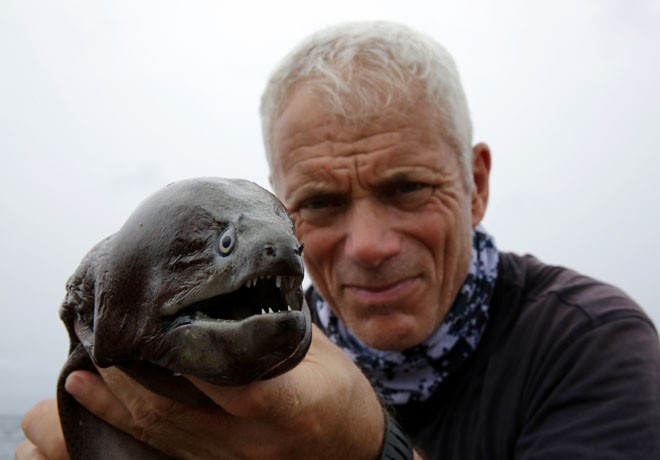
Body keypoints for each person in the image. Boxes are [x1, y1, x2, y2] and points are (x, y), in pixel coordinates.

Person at [16, 21, 660, 460]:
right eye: (320, 203)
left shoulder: (590, 345)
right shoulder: (230, 337)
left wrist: (370, 449)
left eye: (408, 188)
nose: (369, 246)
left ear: (477, 185)